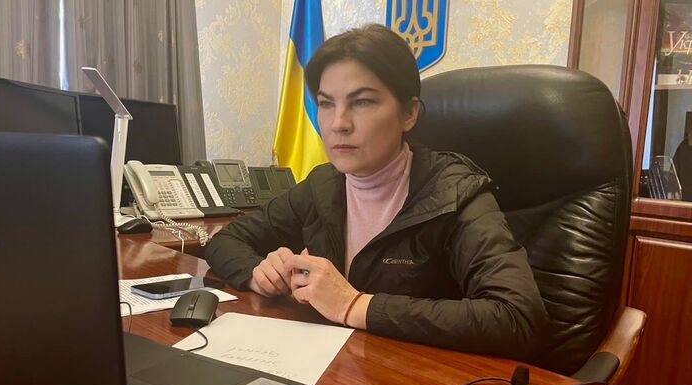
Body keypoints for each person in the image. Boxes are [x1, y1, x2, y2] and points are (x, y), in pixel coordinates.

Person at [205, 24, 547, 361]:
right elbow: (225, 241)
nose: (338, 123)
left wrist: (354, 305)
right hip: (336, 365)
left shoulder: (455, 193)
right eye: (326, 103)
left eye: (363, 102)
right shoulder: (323, 184)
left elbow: (516, 317)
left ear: (409, 113)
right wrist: (257, 273)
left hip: (419, 378)